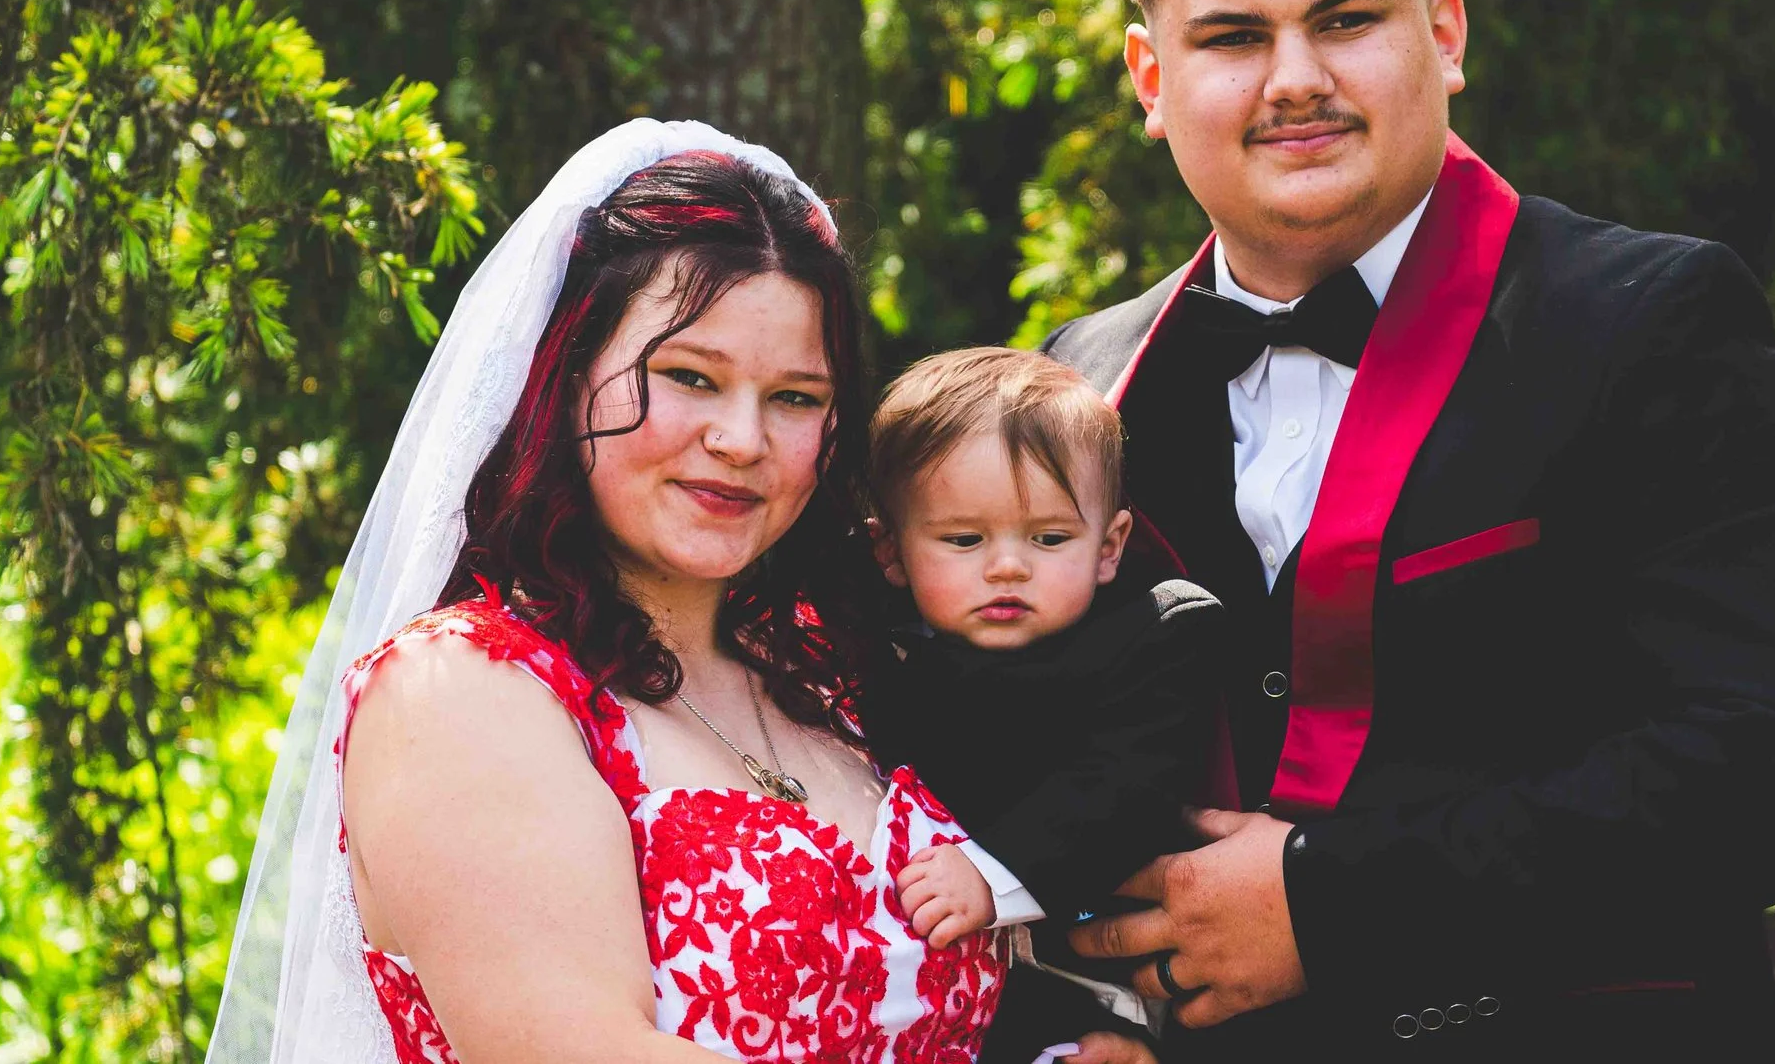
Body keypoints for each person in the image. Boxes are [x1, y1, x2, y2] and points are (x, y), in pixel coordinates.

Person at [1045, 0, 1775, 1059]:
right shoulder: (1072, 387)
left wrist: (1335, 901)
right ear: (1151, 82)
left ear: (1443, 34)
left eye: (1345, 19)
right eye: (1230, 36)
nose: (1295, 80)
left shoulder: (1650, 318)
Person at [206, 123, 1151, 1064]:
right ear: (567, 375)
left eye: (793, 397)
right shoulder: (459, 689)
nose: (742, 439)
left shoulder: (829, 669)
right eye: (690, 377)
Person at [856, 348, 1224, 1063]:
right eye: (963, 539)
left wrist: (992, 869)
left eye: (1050, 538)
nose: (1007, 565)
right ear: (892, 552)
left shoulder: (1154, 635)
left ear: (1110, 544)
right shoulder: (881, 657)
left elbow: (1125, 788)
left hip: (1093, 968)